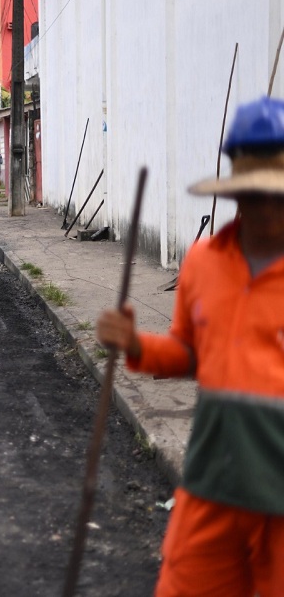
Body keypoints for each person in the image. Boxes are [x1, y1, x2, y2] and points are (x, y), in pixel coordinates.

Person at [96, 95, 284, 596]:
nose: (265, 208)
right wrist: (135, 344)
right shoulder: (203, 262)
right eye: (255, 194)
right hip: (211, 489)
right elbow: (189, 352)